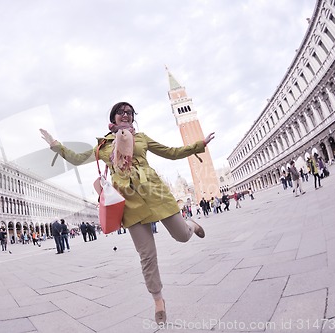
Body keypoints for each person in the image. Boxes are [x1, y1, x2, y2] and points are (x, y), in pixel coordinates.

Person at [40, 101, 213, 324]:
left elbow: (171, 152)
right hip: (130, 203)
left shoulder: (142, 138)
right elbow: (76, 158)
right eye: (121, 112)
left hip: (156, 193)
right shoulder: (103, 146)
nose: (126, 115)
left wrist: (199, 145)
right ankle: (158, 300)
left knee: (181, 236)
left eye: (129, 113)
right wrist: (55, 144)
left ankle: (191, 225)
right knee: (147, 255)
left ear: (133, 118)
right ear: (113, 118)